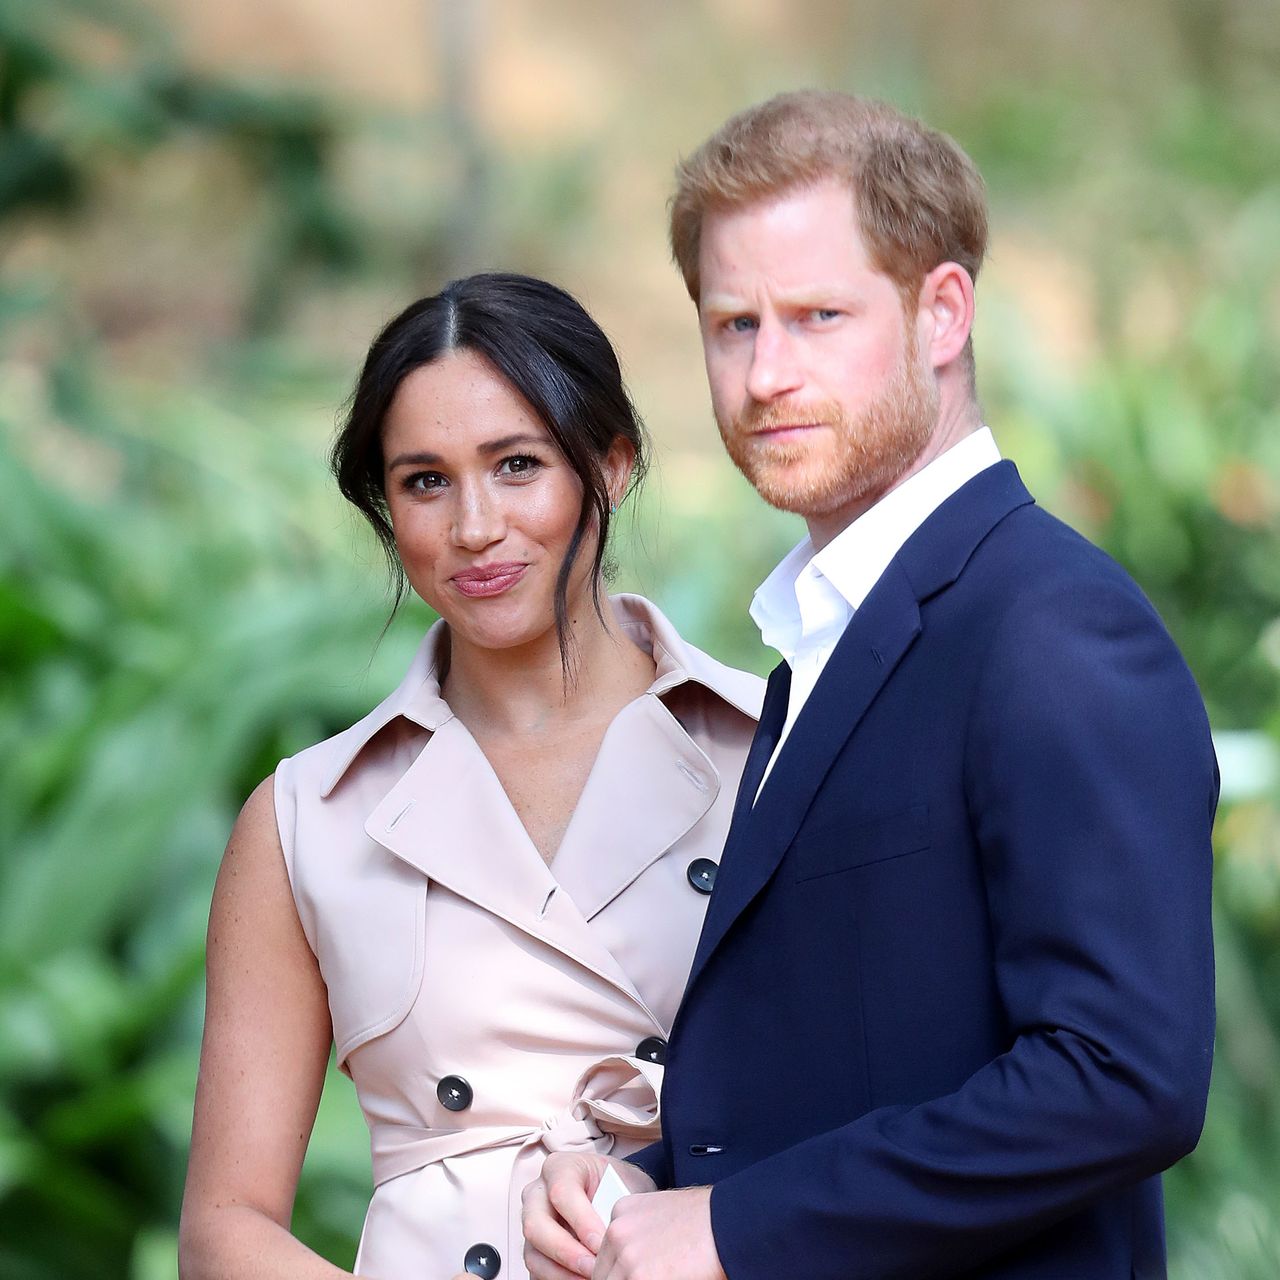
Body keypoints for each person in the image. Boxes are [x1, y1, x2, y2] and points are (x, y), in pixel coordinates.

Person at [523, 91, 1217, 1280]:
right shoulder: (828, 633)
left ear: (940, 313)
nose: (765, 373)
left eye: (815, 316)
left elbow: (1123, 1076)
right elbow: (850, 1045)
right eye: (732, 324)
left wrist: (736, 1228)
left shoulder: (1051, 627)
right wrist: (644, 1192)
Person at [178, 272, 763, 1280]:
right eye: (424, 480)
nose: (476, 526)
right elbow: (224, 1224)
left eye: (517, 465)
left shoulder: (768, 749)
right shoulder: (308, 816)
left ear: (611, 465)